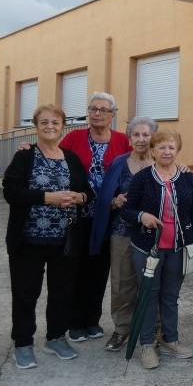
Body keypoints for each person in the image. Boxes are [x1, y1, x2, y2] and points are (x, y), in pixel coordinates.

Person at [3, 104, 92, 368]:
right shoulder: (25, 156)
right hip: (29, 239)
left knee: (62, 292)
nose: (50, 126)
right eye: (44, 122)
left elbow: (87, 191)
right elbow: (11, 191)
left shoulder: (71, 157)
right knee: (25, 293)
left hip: (65, 240)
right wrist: (46, 198)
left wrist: (80, 197)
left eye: (55, 122)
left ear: (62, 126)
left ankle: (55, 337)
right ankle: (23, 343)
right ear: (36, 126)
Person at [123, 129, 193, 369]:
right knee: (148, 296)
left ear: (177, 150)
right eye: (161, 147)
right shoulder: (142, 178)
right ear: (153, 151)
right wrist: (141, 215)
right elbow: (127, 211)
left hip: (178, 248)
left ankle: (170, 339)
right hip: (147, 248)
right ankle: (147, 344)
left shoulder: (188, 177)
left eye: (171, 147)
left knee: (170, 297)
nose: (166, 151)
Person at [58, 92, 131, 343]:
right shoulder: (74, 137)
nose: (97, 114)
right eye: (93, 109)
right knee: (76, 269)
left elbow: (140, 164)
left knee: (100, 270)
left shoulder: (123, 141)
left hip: (109, 216)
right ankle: (74, 322)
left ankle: (92, 320)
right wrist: (28, 149)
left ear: (113, 115)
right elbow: (52, 157)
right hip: (77, 215)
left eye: (103, 110)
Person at [89, 115, 158, 352]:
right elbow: (104, 198)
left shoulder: (161, 161)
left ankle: (153, 329)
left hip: (153, 234)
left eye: (146, 134)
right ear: (129, 138)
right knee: (121, 283)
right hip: (122, 231)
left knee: (152, 283)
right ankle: (122, 330)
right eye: (136, 134)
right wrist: (114, 201)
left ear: (153, 137)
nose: (141, 139)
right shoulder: (119, 162)